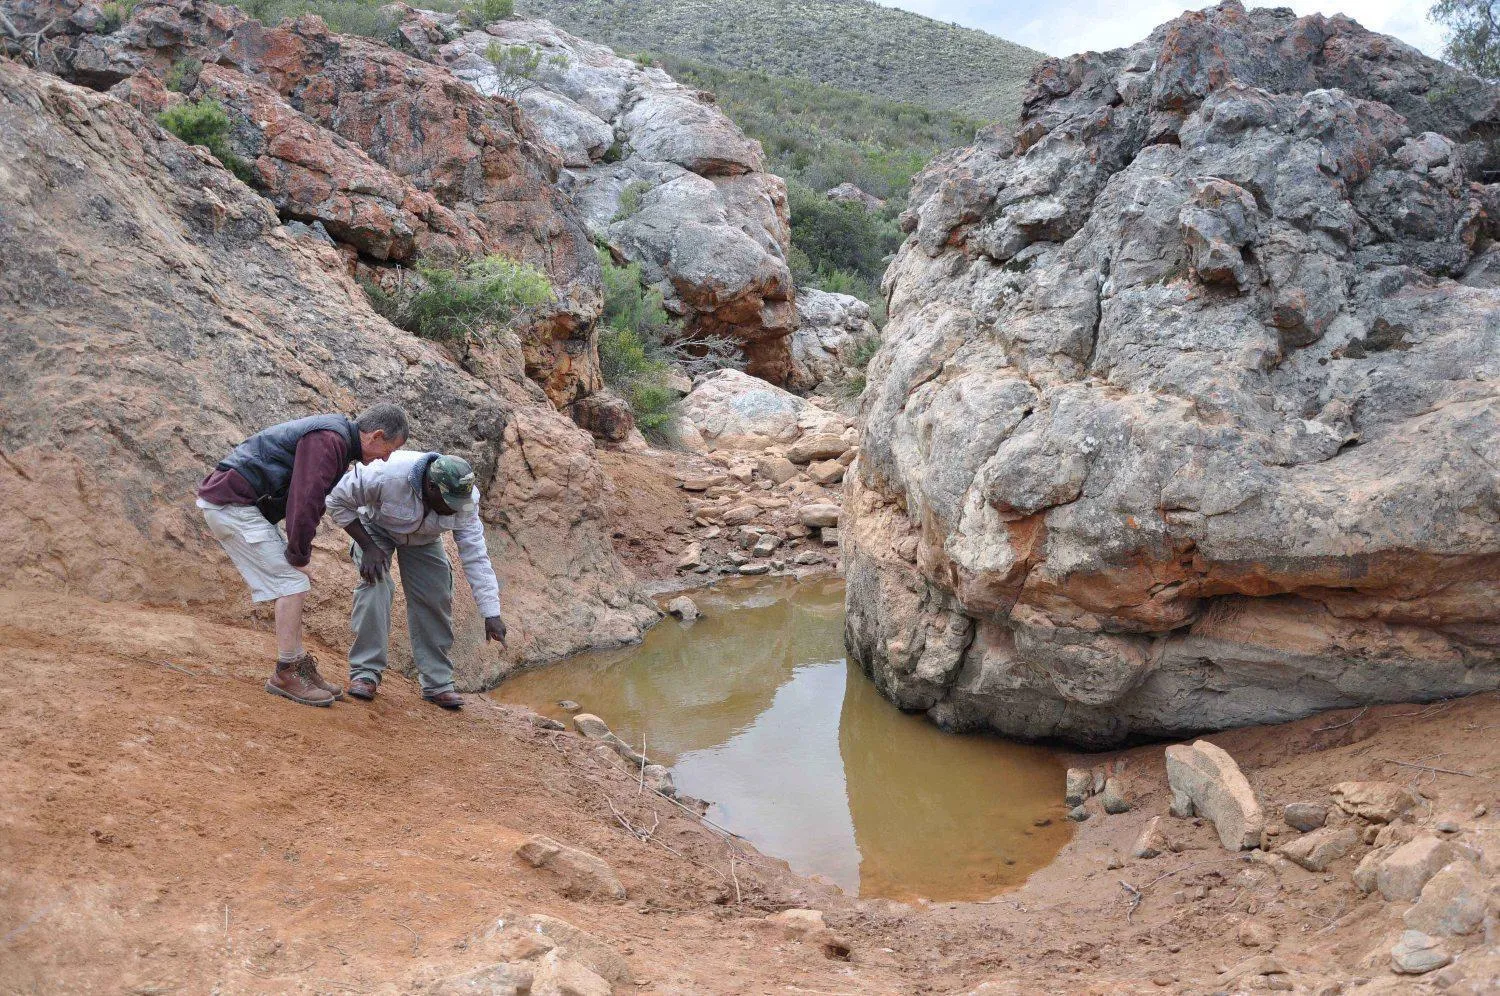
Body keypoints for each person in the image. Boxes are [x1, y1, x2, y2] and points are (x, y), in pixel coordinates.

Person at [196, 404, 409, 707]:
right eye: (389, 449)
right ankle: (287, 673)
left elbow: (310, 497)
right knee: (292, 582)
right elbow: (305, 499)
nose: (386, 458)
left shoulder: (335, 438)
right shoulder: (330, 440)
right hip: (231, 506)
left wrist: (296, 556)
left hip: (235, 504)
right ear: (375, 436)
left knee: (293, 580)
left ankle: (298, 666)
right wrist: (299, 555)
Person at [325, 451, 506, 710]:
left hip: (425, 540)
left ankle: (437, 684)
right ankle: (365, 673)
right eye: (448, 501)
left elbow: (475, 553)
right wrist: (367, 546)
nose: (453, 508)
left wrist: (491, 612)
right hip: (375, 529)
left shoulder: (466, 500)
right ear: (430, 486)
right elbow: (337, 500)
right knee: (376, 585)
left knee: (435, 596)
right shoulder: (386, 474)